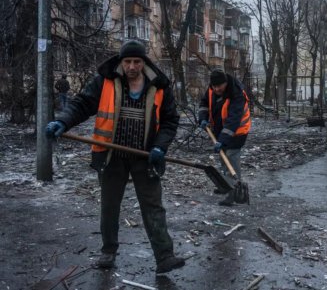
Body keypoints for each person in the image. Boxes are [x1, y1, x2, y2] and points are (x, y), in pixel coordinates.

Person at [45, 40, 184, 274]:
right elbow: (82, 104)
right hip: (111, 156)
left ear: (144, 61)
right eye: (127, 61)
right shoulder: (106, 81)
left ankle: (164, 256)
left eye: (137, 61)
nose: (132, 66)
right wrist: (62, 121)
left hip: (145, 156)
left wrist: (160, 147)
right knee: (110, 206)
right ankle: (108, 252)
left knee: (153, 206)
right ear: (121, 61)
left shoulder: (159, 85)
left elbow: (170, 121)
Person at [197, 70, 251, 206]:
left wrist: (222, 140)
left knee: (231, 159)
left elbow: (233, 120)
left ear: (226, 82)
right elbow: (203, 104)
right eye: (214, 86)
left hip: (237, 131)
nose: (216, 89)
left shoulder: (237, 93)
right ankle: (225, 185)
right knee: (222, 158)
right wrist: (203, 118)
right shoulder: (211, 89)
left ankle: (233, 192)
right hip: (220, 131)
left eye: (219, 86)